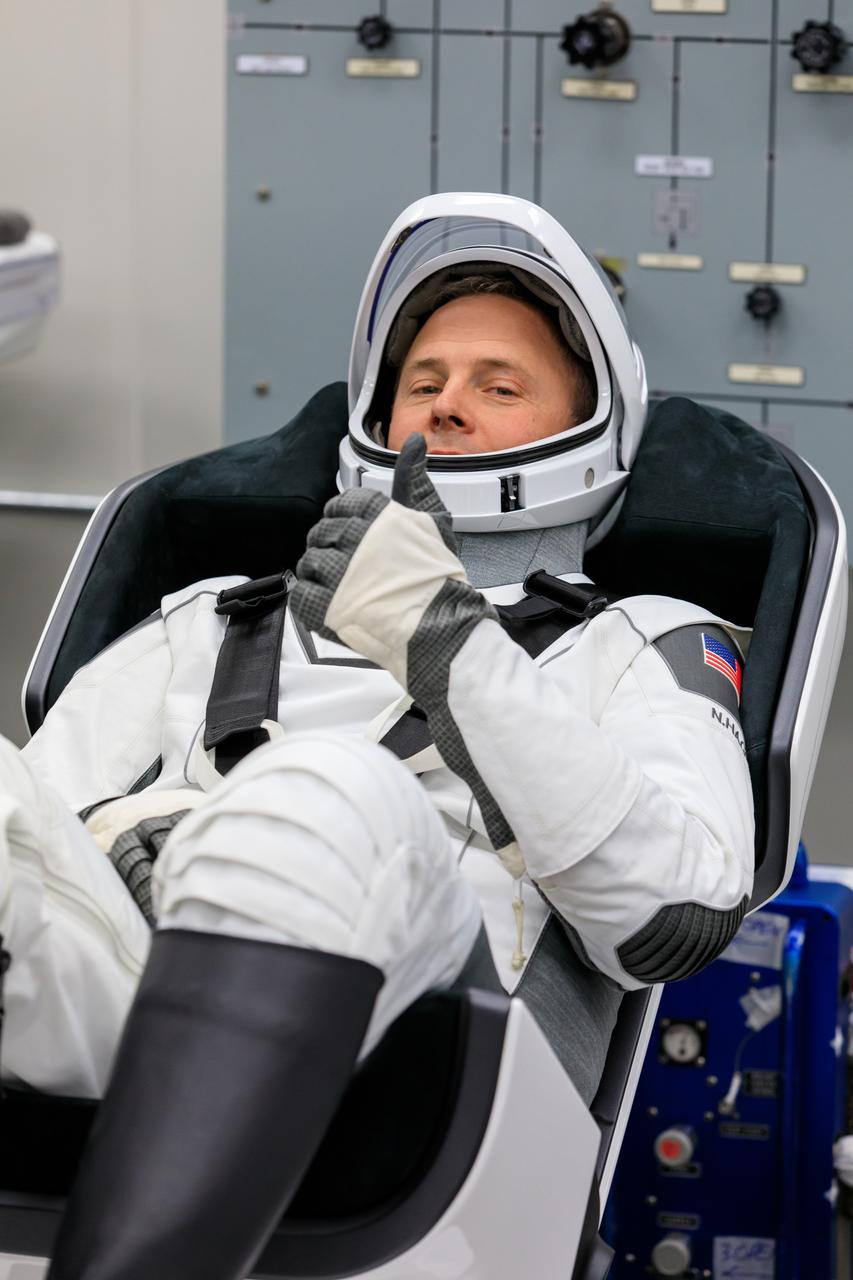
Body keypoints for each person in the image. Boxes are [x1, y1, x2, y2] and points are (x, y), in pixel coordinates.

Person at [0, 194, 754, 1280]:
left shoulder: (641, 640)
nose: (447, 405)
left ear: (591, 430)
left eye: (499, 385)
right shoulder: (214, 614)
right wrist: (134, 834)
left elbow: (670, 919)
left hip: (444, 1068)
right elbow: (40, 824)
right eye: (424, 380)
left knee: (328, 787)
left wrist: (447, 641)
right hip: (138, 984)